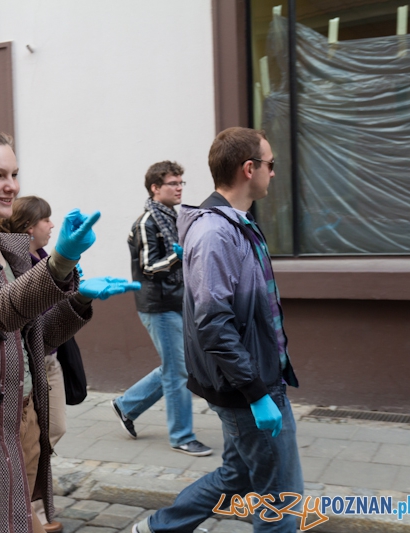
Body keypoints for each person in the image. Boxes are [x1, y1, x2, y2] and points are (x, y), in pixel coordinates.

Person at [0, 130, 139, 533]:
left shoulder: (8, 249)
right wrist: (59, 262)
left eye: (14, 174)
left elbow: (37, 339)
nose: (11, 186)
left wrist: (78, 299)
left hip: (13, 427)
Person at [132, 127, 303, 533]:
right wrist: (258, 392)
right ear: (249, 169)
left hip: (254, 377)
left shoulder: (233, 223)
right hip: (250, 385)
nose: (273, 172)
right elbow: (213, 322)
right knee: (282, 500)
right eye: (270, 164)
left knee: (237, 476)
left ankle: (158, 528)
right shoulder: (216, 231)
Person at [111, 161, 212, 457]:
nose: (180, 188)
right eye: (173, 183)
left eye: (181, 183)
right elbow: (147, 267)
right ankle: (182, 435)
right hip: (157, 305)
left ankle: (126, 405)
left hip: (178, 301)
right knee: (179, 370)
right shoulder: (147, 222)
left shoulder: (174, 218)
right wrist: (176, 259)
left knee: (178, 366)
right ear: (155, 188)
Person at [0, 195, 66, 533]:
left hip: (45, 363)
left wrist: (77, 294)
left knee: (47, 434)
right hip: (27, 369)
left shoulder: (38, 258)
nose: (52, 225)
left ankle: (28, 511)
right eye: (46, 220)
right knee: (28, 444)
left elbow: (48, 324)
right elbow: (26, 316)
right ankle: (27, 513)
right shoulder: (20, 261)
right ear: (28, 228)